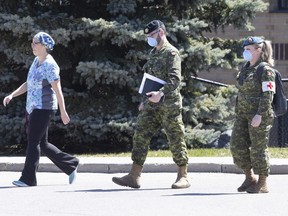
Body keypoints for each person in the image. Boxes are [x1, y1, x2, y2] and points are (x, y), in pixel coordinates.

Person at [112, 20, 190, 189]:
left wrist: (161, 93)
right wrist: (144, 101)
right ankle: (134, 175)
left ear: (161, 32)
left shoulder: (172, 53)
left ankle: (183, 176)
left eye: (152, 35)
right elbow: (149, 79)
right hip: (151, 104)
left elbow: (175, 79)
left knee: (176, 138)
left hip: (169, 104)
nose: (149, 39)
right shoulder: (154, 53)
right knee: (140, 134)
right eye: (148, 36)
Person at [3, 32, 79, 187]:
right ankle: (71, 164)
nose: (32, 45)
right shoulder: (36, 61)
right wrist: (12, 95)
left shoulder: (50, 65)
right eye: (32, 42)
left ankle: (28, 179)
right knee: (42, 144)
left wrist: (63, 111)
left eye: (35, 43)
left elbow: (57, 90)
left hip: (44, 108)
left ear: (44, 46)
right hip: (33, 107)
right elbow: (28, 83)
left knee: (33, 142)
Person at [230, 36, 276, 193]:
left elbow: (268, 94)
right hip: (242, 114)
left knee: (258, 148)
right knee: (237, 146)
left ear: (258, 49)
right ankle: (249, 178)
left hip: (258, 115)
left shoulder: (265, 70)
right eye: (244, 49)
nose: (245, 52)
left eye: (248, 49)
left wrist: (260, 115)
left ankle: (263, 182)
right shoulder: (246, 67)